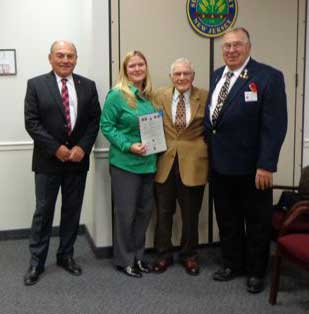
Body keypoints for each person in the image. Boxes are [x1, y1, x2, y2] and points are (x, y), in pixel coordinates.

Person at [204, 27, 287, 293]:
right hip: (220, 165)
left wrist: (266, 164)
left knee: (257, 221)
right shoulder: (218, 75)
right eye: (227, 46)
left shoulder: (268, 77)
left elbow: (274, 126)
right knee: (227, 218)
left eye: (237, 45)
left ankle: (256, 271)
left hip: (253, 168)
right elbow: (214, 121)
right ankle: (232, 263)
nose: (231, 50)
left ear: (248, 47)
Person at [24, 40, 101, 285]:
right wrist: (56, 148)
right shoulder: (36, 85)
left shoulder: (88, 86)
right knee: (43, 212)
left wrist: (82, 147)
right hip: (48, 161)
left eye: (70, 55)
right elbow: (32, 122)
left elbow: (93, 121)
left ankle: (66, 256)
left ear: (76, 59)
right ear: (50, 58)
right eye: (60, 55)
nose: (65, 60)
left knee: (72, 210)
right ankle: (37, 261)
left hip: (77, 162)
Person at [100, 51, 156, 278]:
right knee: (126, 213)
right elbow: (107, 125)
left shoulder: (148, 96)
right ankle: (124, 260)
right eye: (131, 66)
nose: (137, 69)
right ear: (124, 69)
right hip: (125, 164)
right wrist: (128, 145)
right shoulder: (117, 95)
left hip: (149, 164)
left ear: (146, 67)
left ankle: (138, 257)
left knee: (144, 213)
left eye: (140, 64)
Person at [152, 58, 208, 276]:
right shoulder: (159, 95)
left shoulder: (204, 96)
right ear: (171, 77)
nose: (182, 78)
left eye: (186, 74)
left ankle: (189, 255)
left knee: (190, 214)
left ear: (193, 76)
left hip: (194, 163)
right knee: (164, 212)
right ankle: (162, 255)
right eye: (178, 74)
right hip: (164, 161)